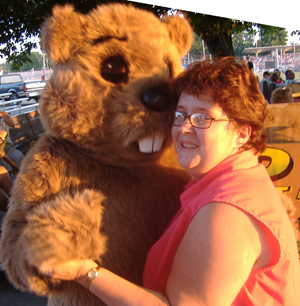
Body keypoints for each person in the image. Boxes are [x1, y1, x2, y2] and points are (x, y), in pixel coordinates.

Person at [33, 57, 300, 306]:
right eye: (181, 114)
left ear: (242, 133)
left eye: (202, 118)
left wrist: (84, 272)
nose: (184, 127)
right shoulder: (226, 180)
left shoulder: (229, 211)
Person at [0, 111, 24, 178]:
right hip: (0, 152)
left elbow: (12, 124)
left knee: (19, 157)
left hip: (8, 148)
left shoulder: (2, 114)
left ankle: (20, 180)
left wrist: (2, 115)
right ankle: (12, 182)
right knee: (6, 164)